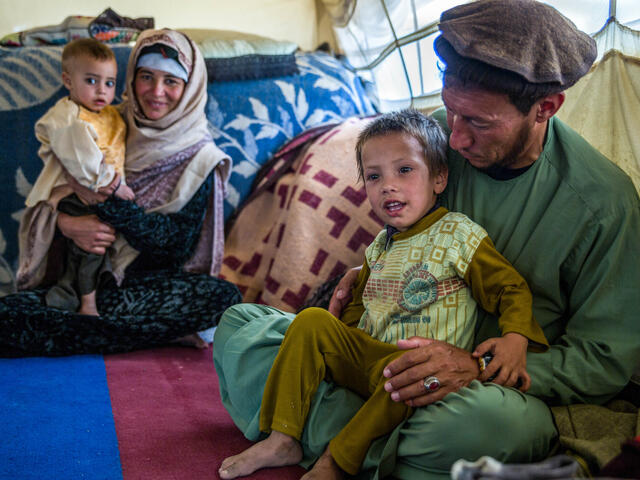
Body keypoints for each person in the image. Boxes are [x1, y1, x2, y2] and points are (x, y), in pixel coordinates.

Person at [213, 1, 640, 478]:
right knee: (238, 327)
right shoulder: (433, 135)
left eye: (478, 122)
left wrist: (476, 368)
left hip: (480, 391)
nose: (454, 139)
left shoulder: (603, 205)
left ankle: (322, 430)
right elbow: (404, 227)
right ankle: (364, 442)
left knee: (487, 428)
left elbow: (604, 361)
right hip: (386, 350)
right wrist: (374, 271)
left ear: (546, 108)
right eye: (451, 111)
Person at [218, 110, 548, 479]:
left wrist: (516, 339)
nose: (387, 185)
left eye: (404, 170)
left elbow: (510, 288)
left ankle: (336, 461)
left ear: (439, 178)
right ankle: (283, 437)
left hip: (419, 368)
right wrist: (334, 347)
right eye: (374, 176)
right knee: (312, 320)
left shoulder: (457, 233)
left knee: (405, 379)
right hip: (371, 356)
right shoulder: (378, 248)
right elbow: (360, 308)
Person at [0, 29, 241, 356]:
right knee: (8, 314)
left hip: (148, 288)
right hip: (80, 278)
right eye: (146, 77)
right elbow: (51, 191)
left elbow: (174, 245)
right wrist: (66, 223)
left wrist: (107, 201)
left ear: (190, 88)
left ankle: (78, 330)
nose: (156, 92)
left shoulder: (202, 158)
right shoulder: (101, 121)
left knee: (223, 298)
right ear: (131, 77)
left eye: (171, 81)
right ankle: (142, 333)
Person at [26, 38, 135, 317]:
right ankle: (88, 304)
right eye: (91, 80)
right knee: (92, 247)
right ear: (68, 81)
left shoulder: (108, 113)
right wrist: (116, 184)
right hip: (74, 193)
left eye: (110, 83)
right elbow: (83, 161)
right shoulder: (68, 117)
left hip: (98, 195)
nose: (102, 90)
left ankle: (66, 291)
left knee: (87, 247)